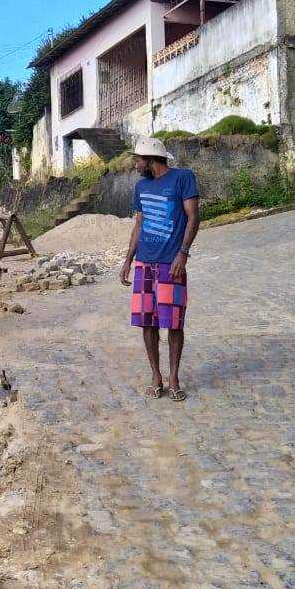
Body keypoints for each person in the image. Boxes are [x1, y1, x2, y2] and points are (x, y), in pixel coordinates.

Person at [119, 137, 199, 401]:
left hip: (170, 263)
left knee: (174, 323)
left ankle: (174, 377)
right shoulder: (141, 187)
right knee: (147, 323)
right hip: (145, 263)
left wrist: (183, 254)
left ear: (151, 160)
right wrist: (128, 260)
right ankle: (156, 376)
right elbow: (139, 224)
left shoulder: (182, 178)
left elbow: (193, 217)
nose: (135, 164)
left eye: (138, 159)